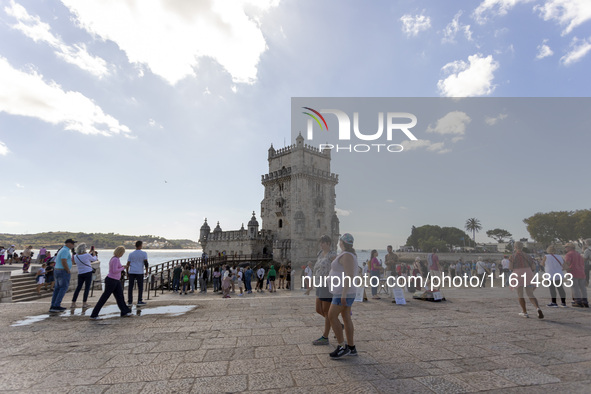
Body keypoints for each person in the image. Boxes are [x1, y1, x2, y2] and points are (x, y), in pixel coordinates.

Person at [327, 233, 359, 358]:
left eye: (340, 241)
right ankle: (351, 348)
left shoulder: (347, 256)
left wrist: (344, 294)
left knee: (332, 316)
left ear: (342, 242)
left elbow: (349, 275)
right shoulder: (346, 255)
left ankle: (342, 346)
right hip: (343, 291)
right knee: (346, 317)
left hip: (343, 292)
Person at [90, 246, 132, 319]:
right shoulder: (115, 259)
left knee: (120, 296)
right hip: (112, 280)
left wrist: (121, 267)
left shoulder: (115, 259)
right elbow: (115, 270)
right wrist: (123, 268)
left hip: (115, 280)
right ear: (120, 252)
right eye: (122, 253)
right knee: (105, 297)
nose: (122, 254)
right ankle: (94, 314)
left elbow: (115, 269)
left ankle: (125, 311)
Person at [310, 235, 337, 346]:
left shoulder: (333, 255)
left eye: (323, 242)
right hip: (319, 284)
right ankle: (338, 324)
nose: (321, 244)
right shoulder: (320, 253)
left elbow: (338, 269)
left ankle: (325, 337)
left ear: (329, 243)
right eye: (321, 242)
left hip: (327, 284)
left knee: (326, 311)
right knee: (318, 309)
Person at [509, 241, 543, 319]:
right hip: (528, 273)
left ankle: (525, 312)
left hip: (518, 273)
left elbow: (510, 268)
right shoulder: (528, 256)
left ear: (515, 247)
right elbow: (533, 267)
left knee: (520, 294)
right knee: (530, 294)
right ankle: (538, 308)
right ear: (522, 247)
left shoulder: (512, 256)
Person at [49, 239, 76, 313]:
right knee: (63, 288)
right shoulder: (65, 250)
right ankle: (56, 305)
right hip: (62, 271)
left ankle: (53, 305)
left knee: (57, 288)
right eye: (73, 244)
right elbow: (63, 261)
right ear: (69, 244)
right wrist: (67, 269)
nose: (73, 245)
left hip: (57, 270)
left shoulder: (62, 250)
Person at [71, 243, 98, 308]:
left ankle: (73, 303)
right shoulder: (87, 255)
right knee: (87, 288)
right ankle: (84, 303)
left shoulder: (75, 256)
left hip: (80, 273)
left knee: (78, 288)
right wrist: (94, 253)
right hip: (88, 272)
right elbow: (94, 259)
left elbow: (74, 262)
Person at [563, 242, 588, 308]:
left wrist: (564, 268)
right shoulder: (579, 254)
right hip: (582, 272)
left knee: (575, 288)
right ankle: (585, 301)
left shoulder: (569, 254)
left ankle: (578, 302)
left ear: (570, 247)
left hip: (573, 272)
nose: (565, 248)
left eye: (566, 247)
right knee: (583, 288)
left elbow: (567, 263)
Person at [127, 240, 148, 307]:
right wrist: (147, 271)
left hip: (132, 271)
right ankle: (139, 300)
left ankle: (130, 301)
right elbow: (146, 263)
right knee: (140, 287)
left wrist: (127, 272)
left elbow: (128, 264)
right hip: (139, 271)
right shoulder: (144, 253)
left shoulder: (131, 254)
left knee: (130, 287)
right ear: (141, 245)